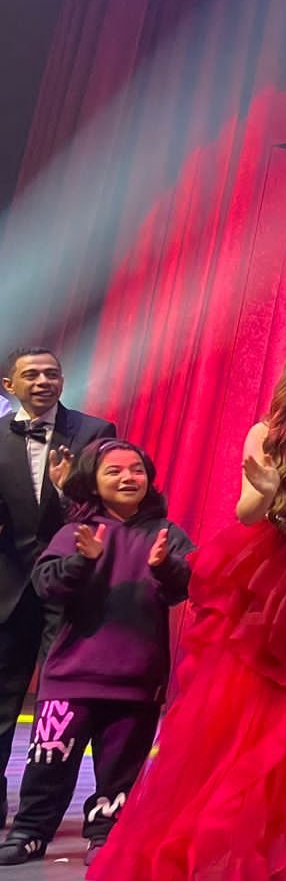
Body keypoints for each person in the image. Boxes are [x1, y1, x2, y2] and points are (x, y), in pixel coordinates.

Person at [89, 339, 286, 881]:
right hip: (268, 569)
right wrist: (269, 489)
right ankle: (233, 841)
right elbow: (246, 512)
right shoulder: (265, 435)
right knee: (246, 711)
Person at [0, 440, 192, 865]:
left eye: (136, 470)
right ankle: (30, 832)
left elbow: (189, 585)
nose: (128, 478)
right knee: (48, 762)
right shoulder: (74, 532)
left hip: (137, 679)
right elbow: (46, 585)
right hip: (71, 676)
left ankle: (106, 836)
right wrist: (82, 562)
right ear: (92, 481)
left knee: (120, 769)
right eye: (114, 471)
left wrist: (165, 566)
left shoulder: (167, 533)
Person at [0, 346, 115, 828]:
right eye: (32, 374)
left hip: (70, 582)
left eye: (52, 373)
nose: (44, 381)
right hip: (8, 588)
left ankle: (38, 813)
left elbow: (106, 505)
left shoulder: (94, 432)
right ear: (9, 386)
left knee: (59, 702)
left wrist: (69, 490)